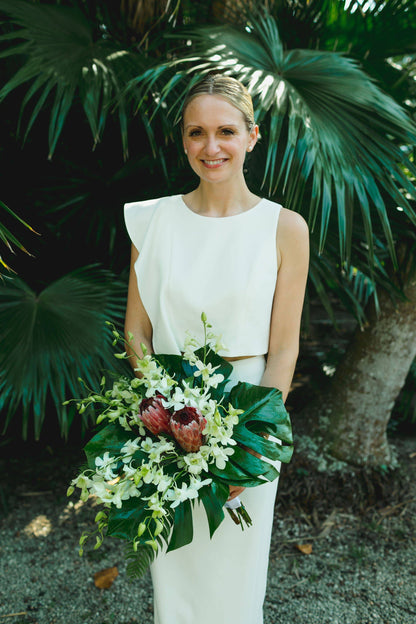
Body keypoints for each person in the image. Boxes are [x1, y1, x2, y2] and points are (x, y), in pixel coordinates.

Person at [124, 73, 309, 624]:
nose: (211, 147)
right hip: (165, 420)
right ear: (183, 141)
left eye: (226, 131)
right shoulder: (150, 222)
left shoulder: (285, 228)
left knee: (235, 578)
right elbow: (137, 330)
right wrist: (163, 414)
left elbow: (283, 352)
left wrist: (249, 446)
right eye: (196, 132)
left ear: (253, 136)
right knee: (174, 576)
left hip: (247, 415)